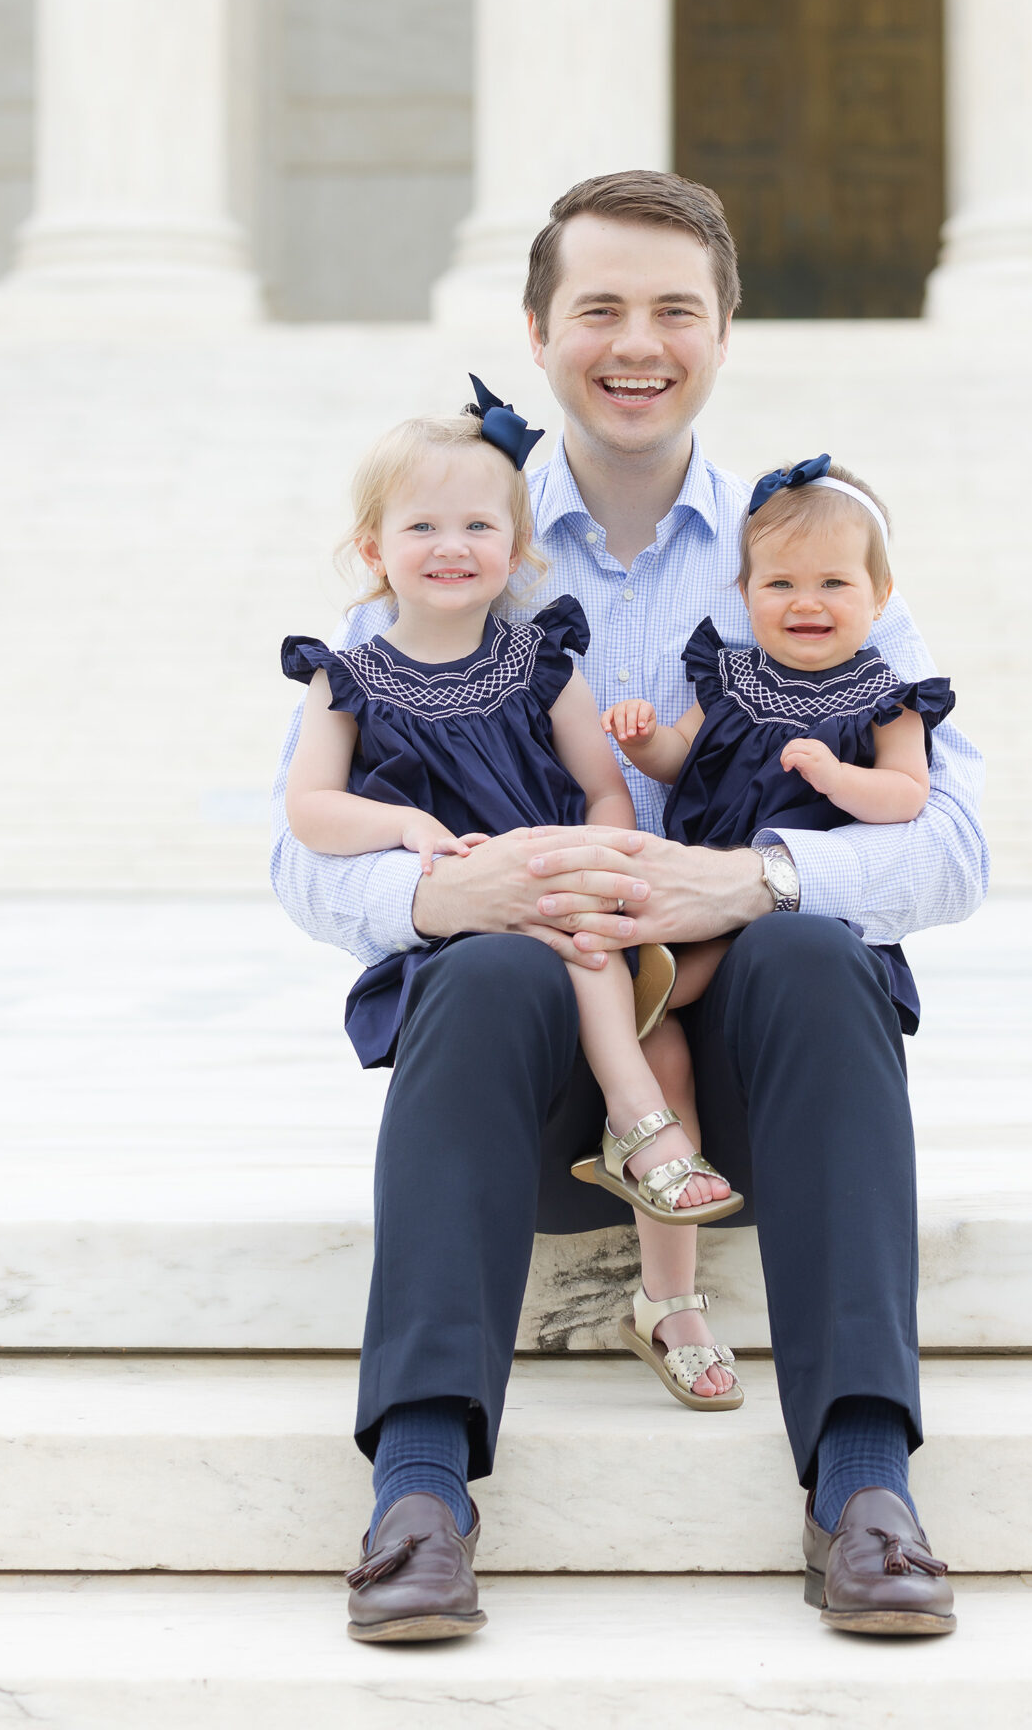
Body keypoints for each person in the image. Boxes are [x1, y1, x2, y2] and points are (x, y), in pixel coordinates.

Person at [269, 169, 989, 1644]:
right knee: (475, 972)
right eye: (598, 307)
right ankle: (419, 1493)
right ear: (537, 330)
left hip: (752, 1079)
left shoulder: (813, 556)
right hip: (534, 1078)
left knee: (810, 947)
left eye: (675, 307)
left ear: (726, 330)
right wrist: (441, 883)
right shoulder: (449, 536)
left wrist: (750, 874)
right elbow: (299, 846)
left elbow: (960, 840)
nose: (636, 341)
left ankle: (863, 1485)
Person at [280, 389, 746, 1456]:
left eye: (480, 525)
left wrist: (604, 854)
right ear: (373, 548)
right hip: (476, 927)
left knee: (662, 1038)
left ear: (519, 547)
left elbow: (604, 785)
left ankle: (668, 1301)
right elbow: (311, 808)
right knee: (555, 924)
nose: (453, 546)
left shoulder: (542, 660)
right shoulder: (346, 675)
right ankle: (637, 1128)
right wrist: (406, 828)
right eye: (423, 527)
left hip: (577, 896)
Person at [602, 454, 957, 1054]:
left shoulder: (885, 700)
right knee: (672, 976)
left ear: (880, 596)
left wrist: (838, 776)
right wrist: (643, 742)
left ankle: (630, 1017)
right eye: (781, 584)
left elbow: (907, 794)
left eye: (834, 584)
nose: (807, 603)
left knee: (715, 968)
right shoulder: (734, 678)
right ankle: (639, 1070)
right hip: (702, 877)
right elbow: (680, 757)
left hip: (805, 903)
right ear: (746, 593)